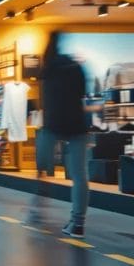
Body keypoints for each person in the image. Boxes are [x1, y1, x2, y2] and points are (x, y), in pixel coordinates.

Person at [31, 31, 97, 238]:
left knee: (42, 169)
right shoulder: (77, 67)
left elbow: (45, 102)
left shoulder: (47, 69)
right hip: (77, 125)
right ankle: (78, 223)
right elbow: (82, 95)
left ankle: (37, 210)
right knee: (79, 176)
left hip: (52, 125)